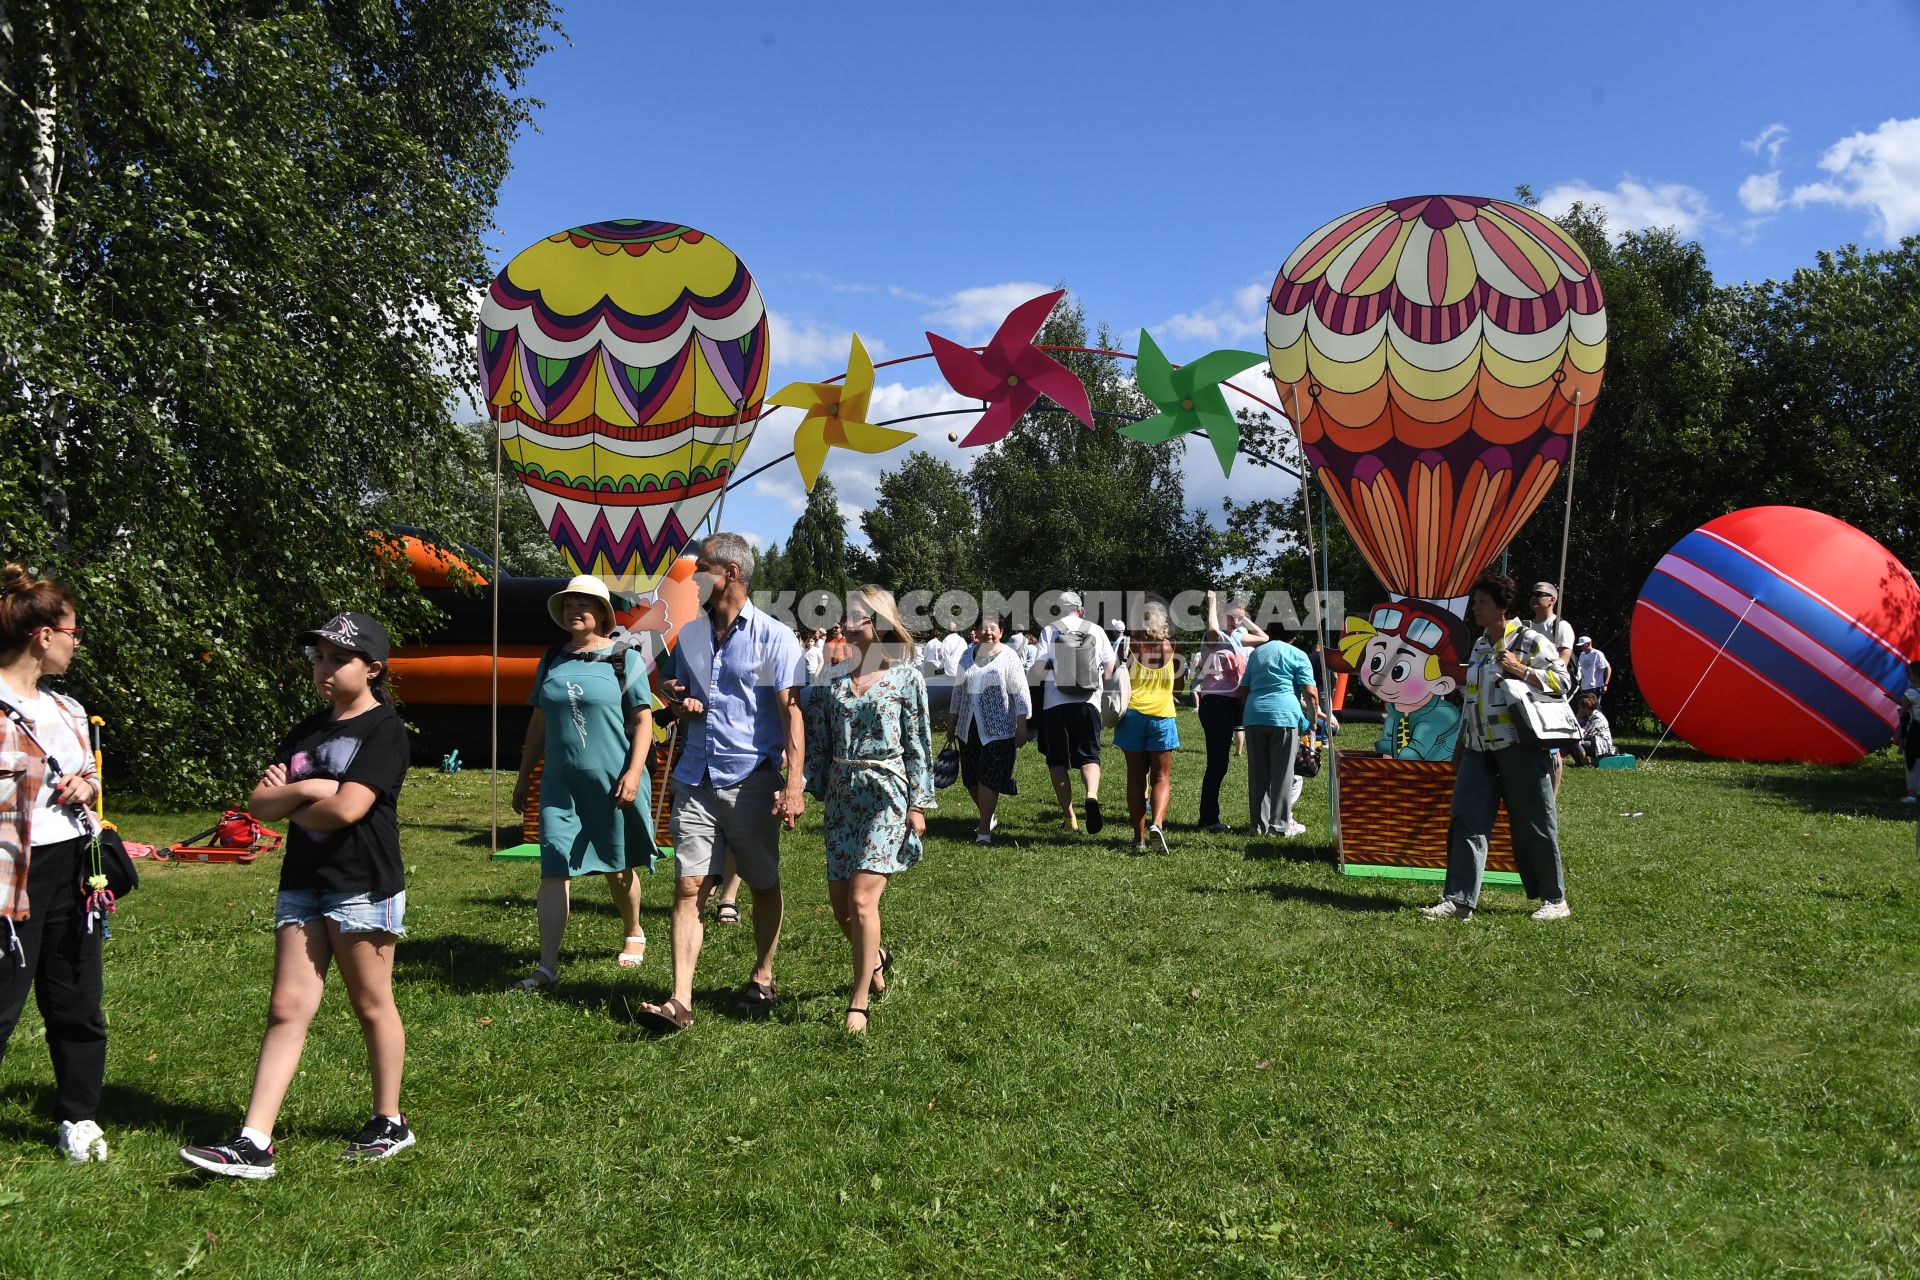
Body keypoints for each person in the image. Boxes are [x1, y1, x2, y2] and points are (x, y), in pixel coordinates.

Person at [181, 612, 414, 1178]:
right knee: (286, 1006)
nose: (324, 670)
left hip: (362, 884)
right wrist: (312, 786)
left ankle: (390, 1121)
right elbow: (259, 808)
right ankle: (253, 1140)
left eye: (339, 660)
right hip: (303, 883)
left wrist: (294, 794)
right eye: (319, 659)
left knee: (370, 1003)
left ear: (373, 668)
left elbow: (349, 809)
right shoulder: (306, 731)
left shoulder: (385, 731)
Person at [636, 534, 806, 1034]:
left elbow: (792, 714)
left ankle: (763, 973)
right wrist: (672, 695)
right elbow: (669, 684)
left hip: (751, 778)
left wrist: (794, 784)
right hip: (695, 776)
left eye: (702, 568)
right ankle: (680, 999)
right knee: (689, 884)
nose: (694, 577)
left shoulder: (776, 636)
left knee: (762, 881)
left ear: (730, 572)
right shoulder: (690, 634)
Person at [0, 564, 108, 1164]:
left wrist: (84, 788)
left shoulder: (67, 710)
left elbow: (90, 779)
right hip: (10, 874)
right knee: (3, 998)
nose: (75, 641)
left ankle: (79, 1117)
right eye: (72, 630)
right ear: (43, 634)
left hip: (73, 868)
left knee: (76, 998)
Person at [506, 575, 661, 991]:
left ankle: (634, 930)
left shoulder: (623, 657)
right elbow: (538, 721)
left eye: (586, 604)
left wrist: (633, 772)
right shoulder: (553, 659)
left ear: (602, 613)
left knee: (617, 862)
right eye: (570, 603)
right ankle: (546, 966)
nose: (577, 610)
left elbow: (644, 720)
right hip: (560, 784)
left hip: (612, 780)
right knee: (554, 866)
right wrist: (524, 777)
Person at [804, 586, 934, 1032]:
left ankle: (858, 999)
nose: (844, 620)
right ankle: (875, 957)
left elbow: (918, 746)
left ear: (876, 622)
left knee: (862, 900)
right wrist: (802, 788)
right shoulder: (832, 679)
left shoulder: (906, 677)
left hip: (886, 794)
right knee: (841, 906)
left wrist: (919, 803)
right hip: (842, 794)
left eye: (854, 614)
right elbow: (818, 741)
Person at [1421, 572, 1573, 923]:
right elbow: (1471, 699)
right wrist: (1460, 743)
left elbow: (1563, 681)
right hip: (1477, 749)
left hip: (1520, 747)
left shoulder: (1530, 640)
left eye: (1482, 602)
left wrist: (1521, 669)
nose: (1475, 608)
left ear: (1502, 606)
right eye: (1474, 602)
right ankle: (1459, 901)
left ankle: (1554, 899)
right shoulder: (1479, 644)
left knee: (1534, 823)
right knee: (1465, 821)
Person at [1036, 591, 1117, 833]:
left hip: (1055, 703)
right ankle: (1091, 794)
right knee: (1089, 756)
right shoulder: (1095, 629)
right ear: (1081, 610)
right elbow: (1109, 668)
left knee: (1058, 761)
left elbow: (1039, 670)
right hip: (1088, 702)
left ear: (1058, 610)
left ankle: (1069, 818)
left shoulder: (1049, 631)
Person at [945, 613, 1029, 845]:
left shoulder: (1009, 656)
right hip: (967, 725)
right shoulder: (966, 655)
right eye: (984, 628)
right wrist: (951, 724)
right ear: (976, 631)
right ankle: (988, 815)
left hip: (998, 726)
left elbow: (1020, 692)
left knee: (988, 776)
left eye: (993, 628)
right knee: (971, 777)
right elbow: (957, 693)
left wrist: (1021, 724)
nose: (988, 632)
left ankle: (984, 830)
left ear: (1001, 632)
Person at [1238, 627, 1320, 837]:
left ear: (1269, 632)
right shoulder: (1298, 654)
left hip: (1254, 716)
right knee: (1283, 774)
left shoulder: (1257, 653)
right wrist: (1311, 721)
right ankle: (1278, 826)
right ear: (1294, 636)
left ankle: (1258, 826)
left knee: (1258, 774)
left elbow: (1243, 690)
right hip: (1285, 717)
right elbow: (1310, 693)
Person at [1116, 600, 1181, 854]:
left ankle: (1139, 839)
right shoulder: (1170, 646)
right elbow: (1177, 685)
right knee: (1161, 777)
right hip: (1162, 716)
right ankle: (1157, 824)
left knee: (1135, 778)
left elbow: (1111, 675)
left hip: (1132, 714)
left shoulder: (1128, 645)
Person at [1193, 591, 1247, 833]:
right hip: (1215, 703)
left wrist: (1240, 615)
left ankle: (1209, 816)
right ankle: (1208, 818)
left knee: (1220, 762)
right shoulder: (1213, 637)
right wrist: (1214, 604)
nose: (1236, 622)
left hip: (1228, 704)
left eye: (1240, 619)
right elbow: (1214, 629)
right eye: (1233, 618)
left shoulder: (1234, 640)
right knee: (1217, 762)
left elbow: (1264, 636)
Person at [1526, 582, 1576, 795]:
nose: (1535, 597)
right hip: (1529, 689)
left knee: (1552, 745)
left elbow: (1562, 662)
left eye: (1540, 594)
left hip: (1551, 690)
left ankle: (1552, 796)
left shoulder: (1560, 626)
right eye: (1533, 593)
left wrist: (1540, 675)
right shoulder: (1527, 627)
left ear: (1552, 600)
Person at [1567, 690, 1615, 767]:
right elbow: (1576, 726)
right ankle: (1579, 763)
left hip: (1602, 746)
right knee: (1570, 742)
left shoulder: (1597, 718)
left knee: (1574, 742)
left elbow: (1585, 733)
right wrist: (1578, 716)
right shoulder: (1587, 715)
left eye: (1580, 706)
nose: (1579, 708)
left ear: (1585, 707)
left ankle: (1586, 763)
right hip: (1592, 742)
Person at [1575, 635, 1611, 700]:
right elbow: (1581, 671)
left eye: (1582, 645)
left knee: (1595, 708)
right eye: (1580, 646)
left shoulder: (1597, 654)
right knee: (1585, 708)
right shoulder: (1582, 655)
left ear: (1589, 644)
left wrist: (1606, 684)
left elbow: (1608, 668)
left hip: (1595, 687)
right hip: (1584, 688)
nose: (1581, 647)